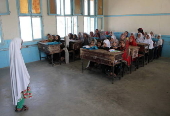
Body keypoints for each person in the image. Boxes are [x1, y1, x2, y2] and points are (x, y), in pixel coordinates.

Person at [9, 38, 32, 112]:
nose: (21, 46)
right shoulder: (17, 56)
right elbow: (21, 69)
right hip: (20, 77)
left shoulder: (14, 54)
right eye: (20, 44)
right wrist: (26, 76)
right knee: (21, 88)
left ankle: (19, 105)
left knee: (18, 89)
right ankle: (19, 107)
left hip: (17, 77)